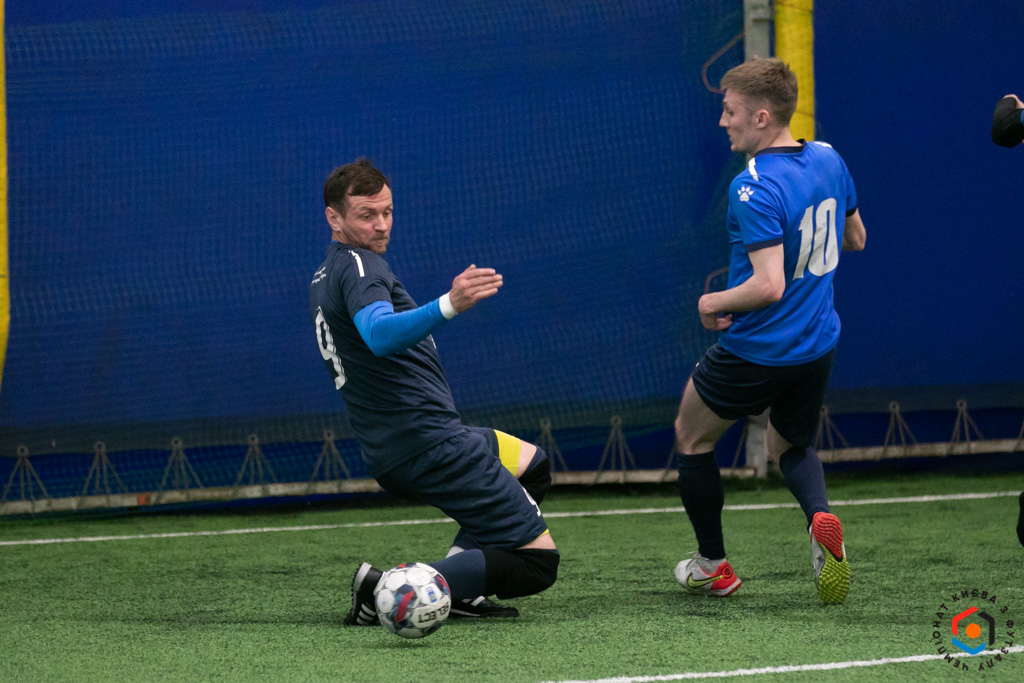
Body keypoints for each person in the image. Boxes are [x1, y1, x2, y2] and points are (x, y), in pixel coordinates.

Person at [310, 159, 558, 626]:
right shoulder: (360, 265)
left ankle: (460, 590)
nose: (381, 225)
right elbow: (379, 334)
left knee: (532, 466)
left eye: (387, 211)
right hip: (428, 444)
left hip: (407, 441)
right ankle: (386, 589)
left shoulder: (329, 271)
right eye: (367, 215)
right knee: (537, 564)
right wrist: (450, 303)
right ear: (333, 218)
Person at [671, 58, 866, 604]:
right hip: (817, 344)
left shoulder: (753, 186)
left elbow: (769, 285)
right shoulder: (828, 158)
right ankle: (820, 517)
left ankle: (713, 566)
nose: (722, 122)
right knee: (790, 443)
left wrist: (710, 301)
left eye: (729, 111)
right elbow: (856, 238)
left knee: (691, 436)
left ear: (761, 116)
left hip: (757, 348)